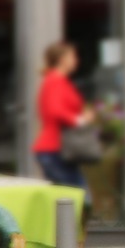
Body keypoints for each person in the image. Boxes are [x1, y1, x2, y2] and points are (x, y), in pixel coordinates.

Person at [33, 41, 94, 189]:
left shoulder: (57, 81)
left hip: (58, 149)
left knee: (68, 197)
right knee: (77, 197)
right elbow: (55, 110)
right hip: (54, 148)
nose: (76, 60)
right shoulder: (55, 81)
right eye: (73, 56)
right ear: (62, 59)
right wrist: (79, 120)